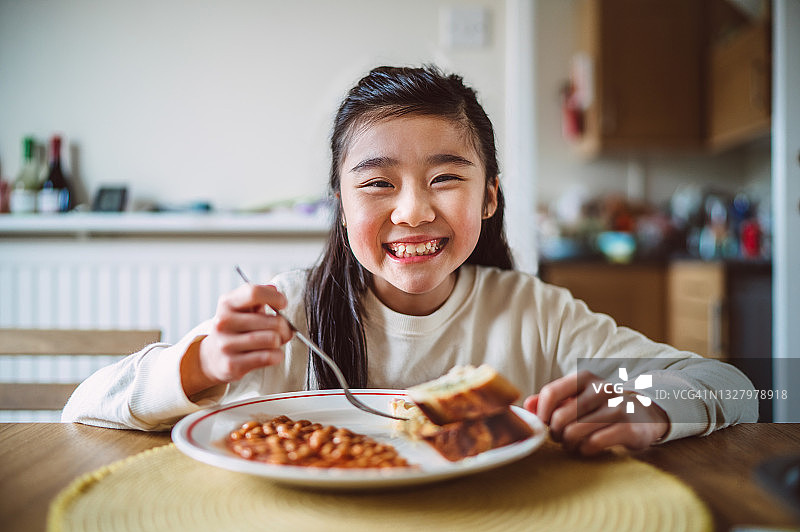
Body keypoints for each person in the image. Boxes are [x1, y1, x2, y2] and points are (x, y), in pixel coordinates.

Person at [63, 65, 757, 455]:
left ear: (490, 197)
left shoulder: (536, 313)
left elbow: (732, 384)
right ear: (340, 204)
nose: (414, 211)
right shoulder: (288, 311)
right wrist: (203, 365)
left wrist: (644, 405)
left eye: (446, 177)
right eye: (377, 184)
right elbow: (85, 404)